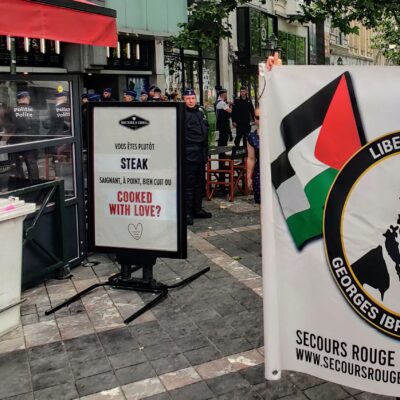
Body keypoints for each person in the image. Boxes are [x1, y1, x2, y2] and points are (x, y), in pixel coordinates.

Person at [183, 88, 212, 225]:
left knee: (199, 184)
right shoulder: (182, 114)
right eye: (188, 98)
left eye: (192, 98)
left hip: (200, 154)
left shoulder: (200, 113)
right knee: (189, 185)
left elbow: (205, 132)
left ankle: (197, 209)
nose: (190, 101)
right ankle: (187, 213)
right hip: (189, 155)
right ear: (183, 99)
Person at [5, 91, 39, 180]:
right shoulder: (34, 110)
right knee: (32, 164)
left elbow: (8, 127)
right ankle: (35, 184)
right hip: (30, 140)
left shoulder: (11, 111)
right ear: (27, 99)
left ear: (18, 100)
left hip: (15, 141)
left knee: (16, 165)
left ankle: (19, 184)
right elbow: (37, 127)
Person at [247, 108, 261, 204]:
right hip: (259, 174)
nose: (260, 120)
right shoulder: (252, 136)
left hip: (276, 172)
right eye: (258, 117)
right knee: (262, 203)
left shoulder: (275, 134)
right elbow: (251, 158)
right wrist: (248, 177)